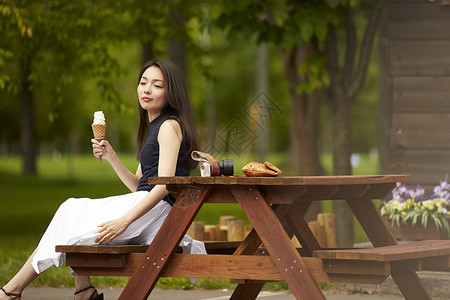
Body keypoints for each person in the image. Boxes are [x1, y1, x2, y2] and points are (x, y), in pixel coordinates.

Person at [0, 59, 205, 300]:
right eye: (143, 82)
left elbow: (163, 186)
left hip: (159, 211)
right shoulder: (155, 127)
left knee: (71, 211)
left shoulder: (169, 126)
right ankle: (80, 291)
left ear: (172, 93)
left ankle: (14, 291)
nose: (147, 89)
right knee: (72, 213)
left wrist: (124, 221)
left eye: (157, 85)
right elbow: (139, 184)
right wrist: (111, 156)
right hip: (149, 205)